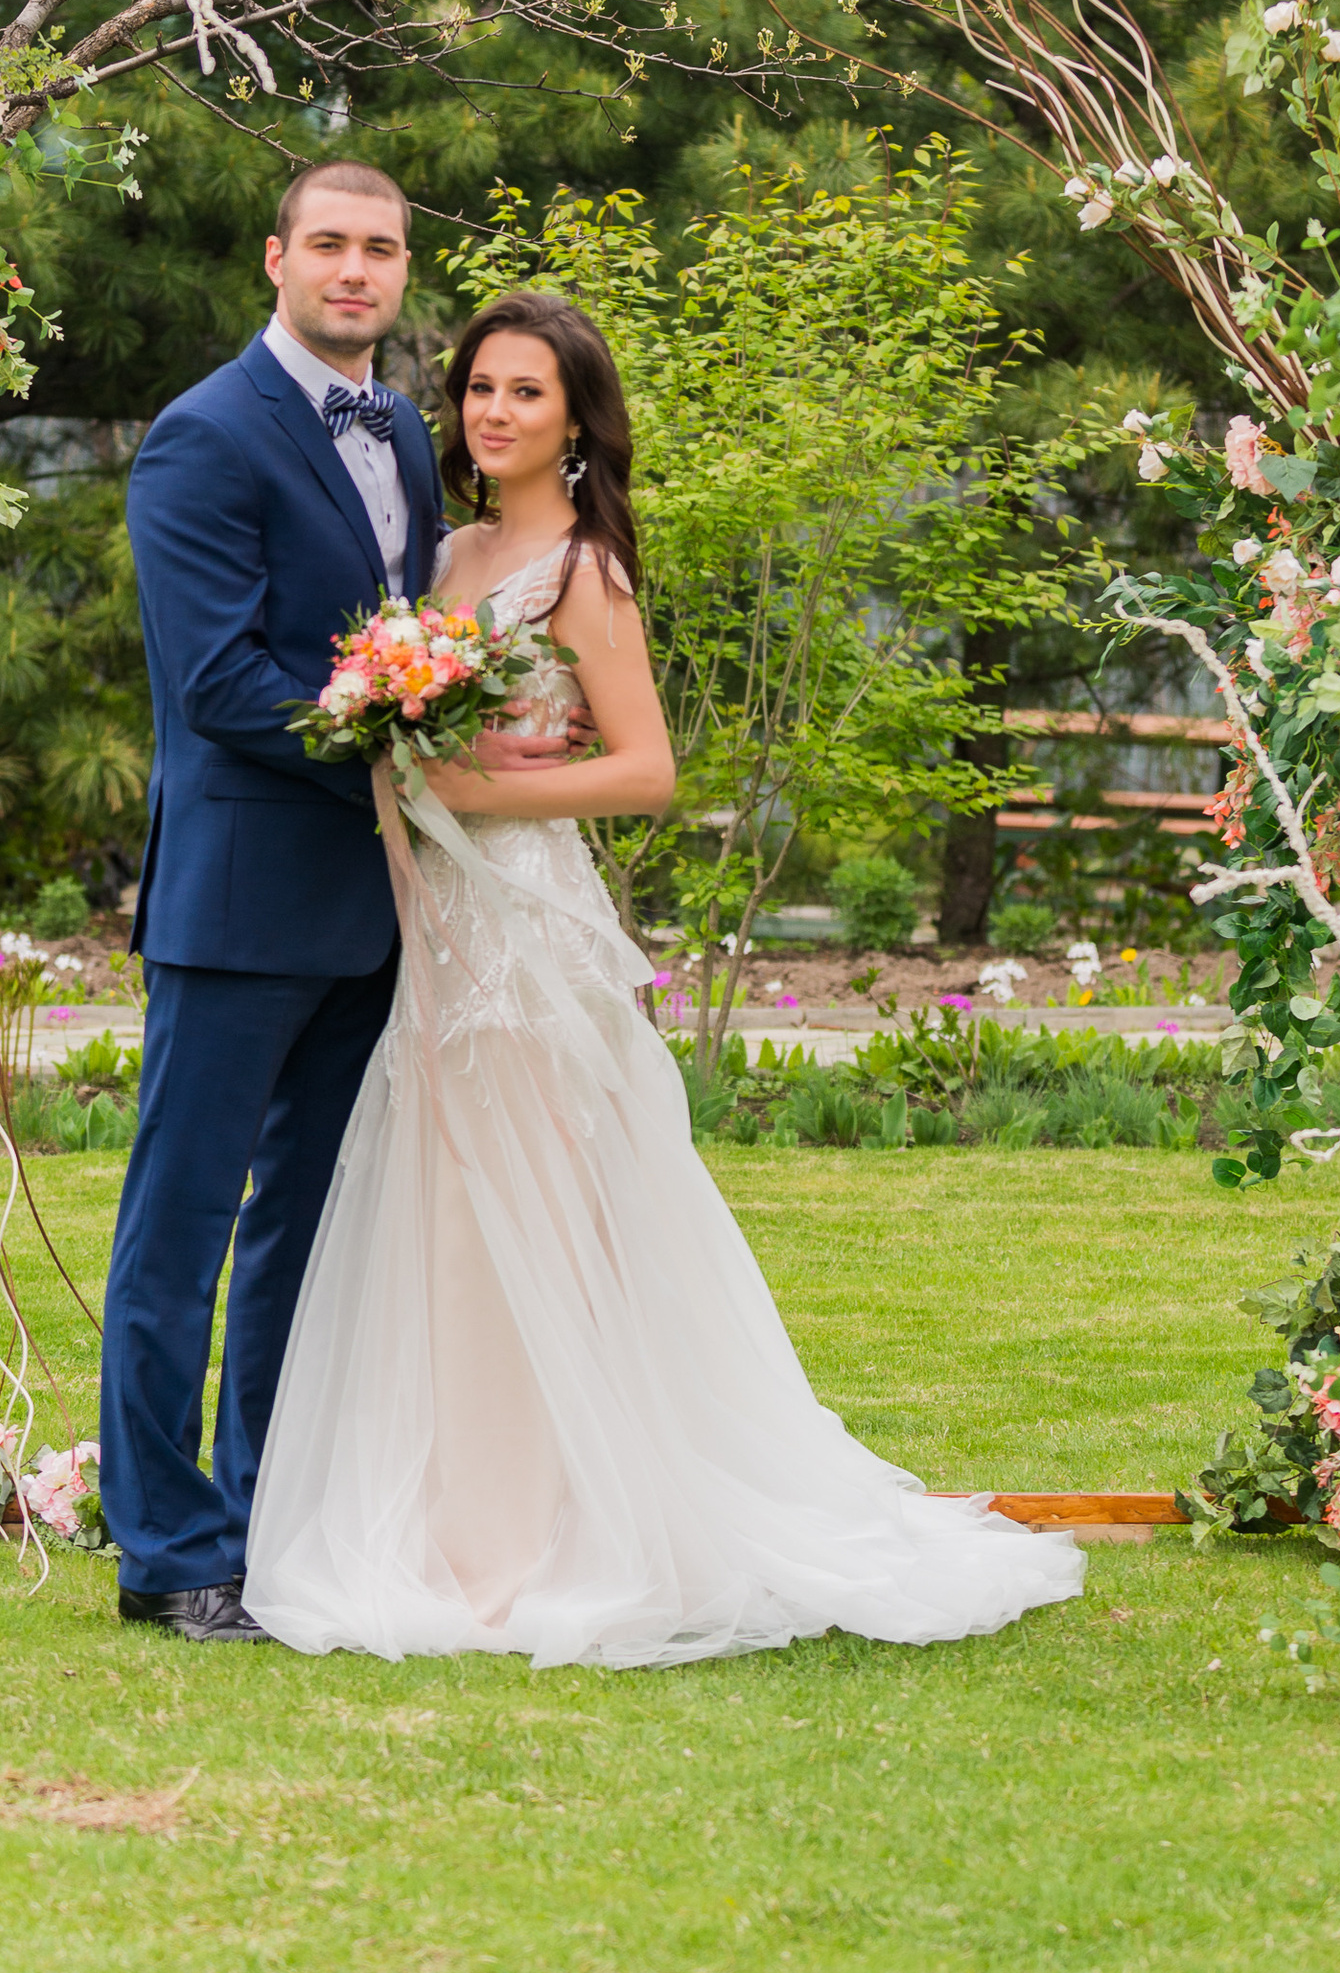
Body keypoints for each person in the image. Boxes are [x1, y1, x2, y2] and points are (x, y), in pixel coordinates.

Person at [242, 287, 1085, 1666]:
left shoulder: (584, 569)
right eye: (478, 389)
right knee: (439, 1211)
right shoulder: (445, 553)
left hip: (523, 926)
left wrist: (480, 787)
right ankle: (448, 1515)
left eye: (525, 392)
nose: (493, 412)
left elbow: (646, 770)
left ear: (575, 419)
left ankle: (535, 1539)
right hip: (429, 919)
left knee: (530, 1213)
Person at [102, 159, 569, 1637]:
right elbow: (219, 681)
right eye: (328, 245)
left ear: (401, 271)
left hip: (377, 909)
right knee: (178, 1234)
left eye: (379, 249)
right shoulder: (201, 438)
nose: (354, 270)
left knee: (304, 1236)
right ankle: (169, 1553)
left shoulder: (409, 448)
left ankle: (270, 1519)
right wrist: (403, 749)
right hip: (243, 898)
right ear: (276, 258)